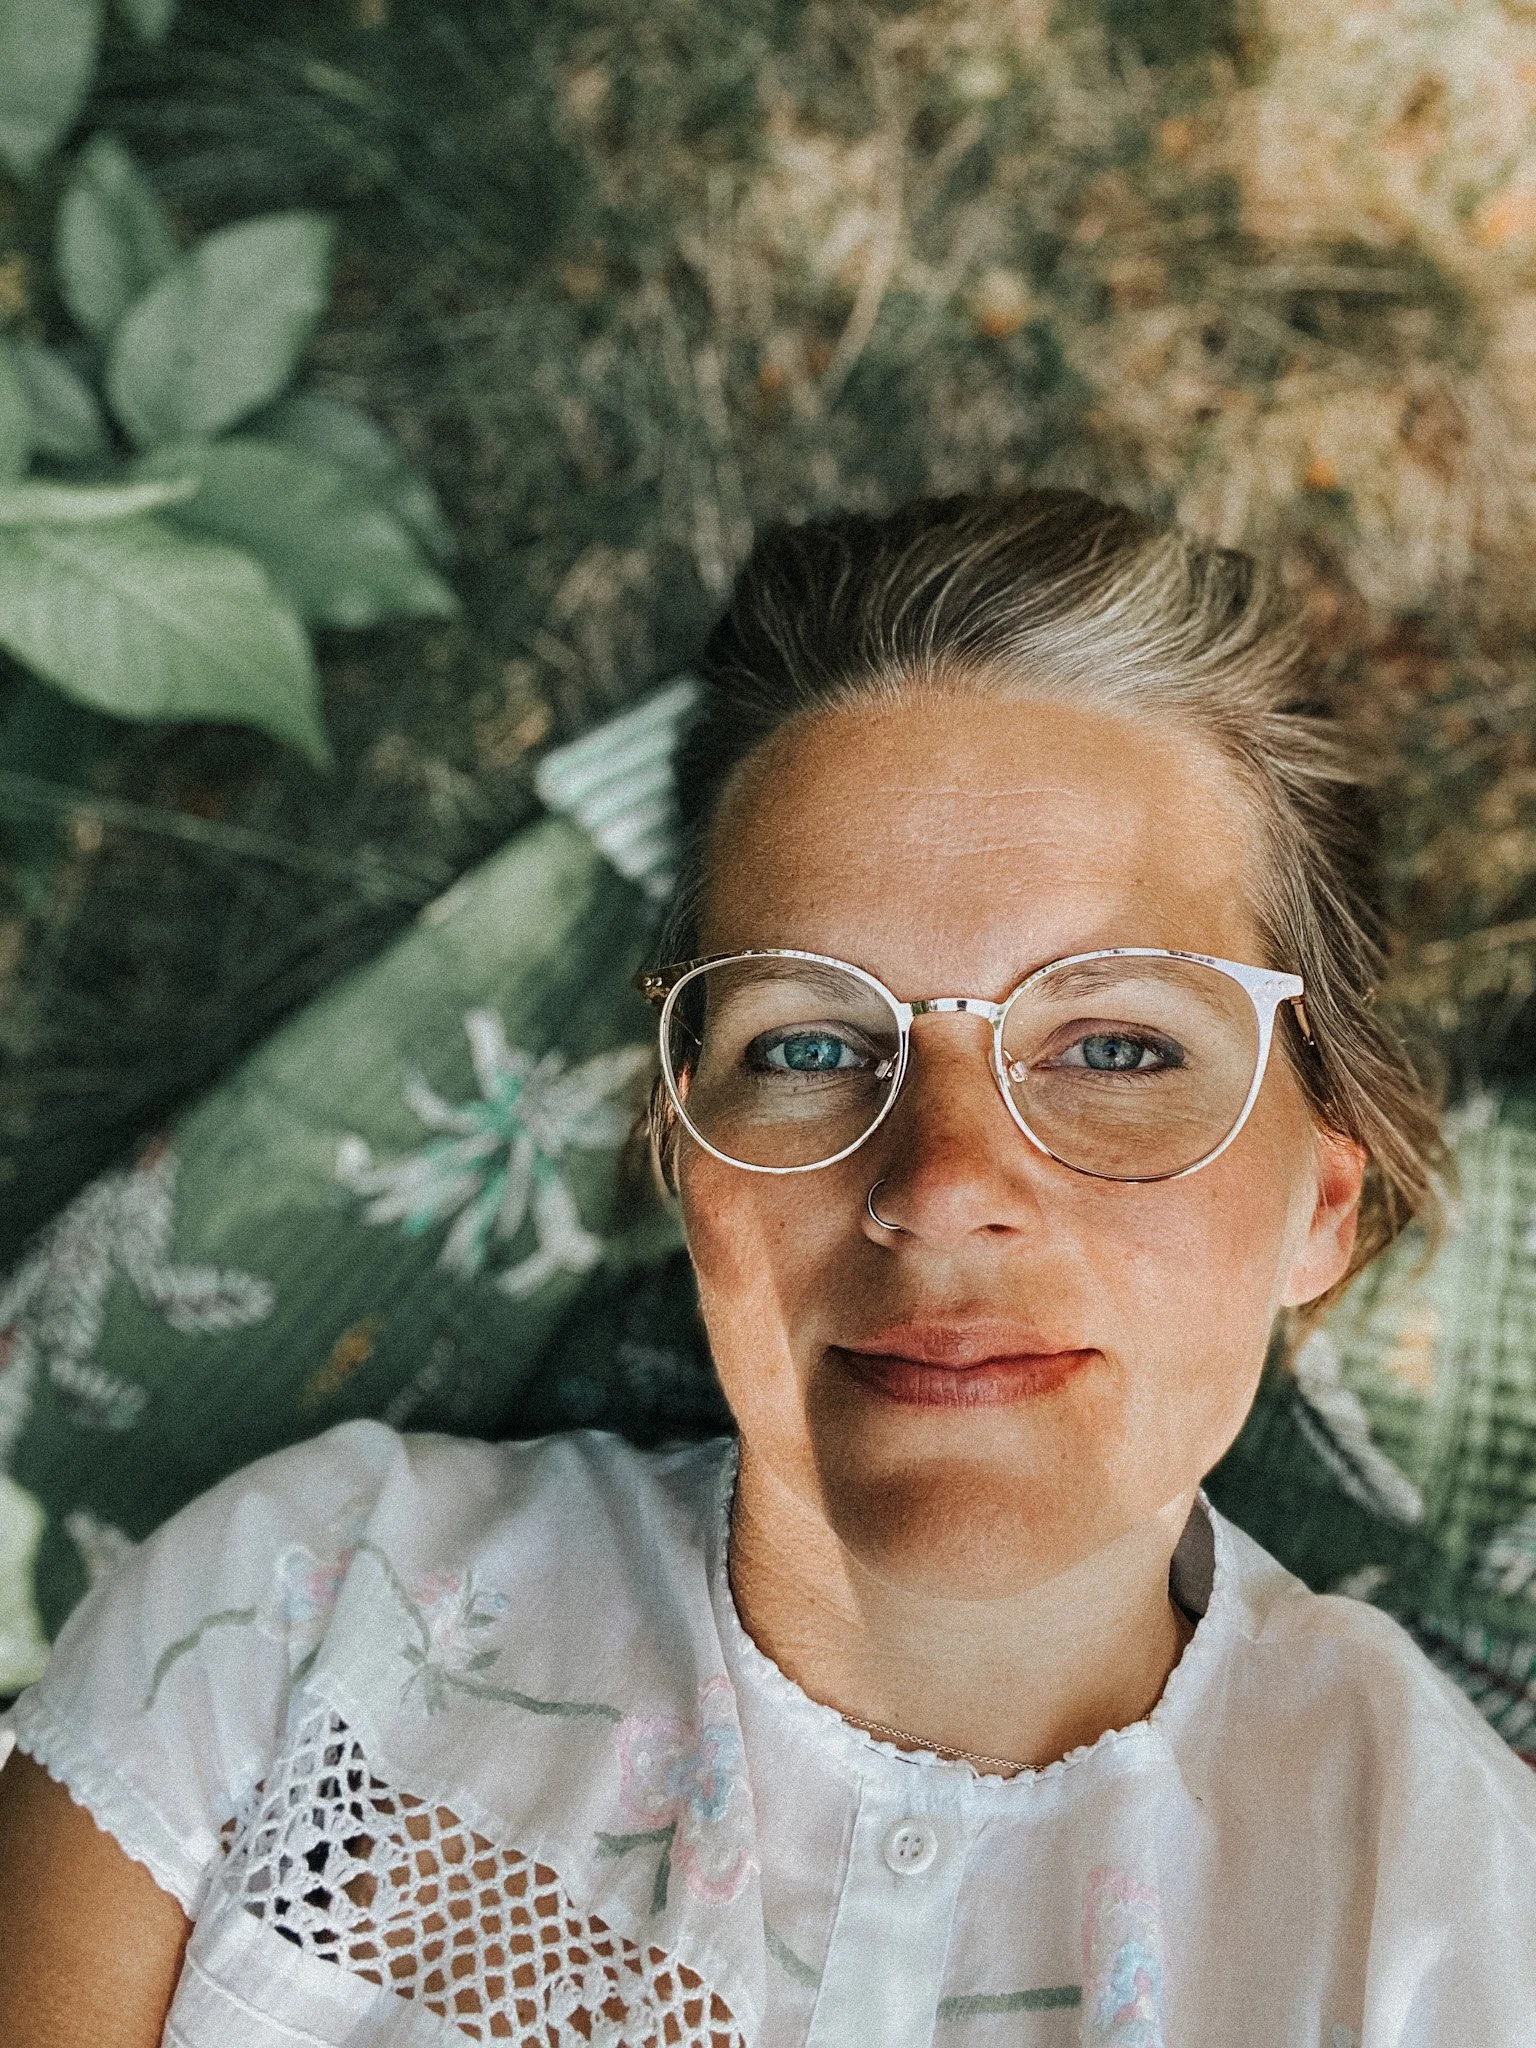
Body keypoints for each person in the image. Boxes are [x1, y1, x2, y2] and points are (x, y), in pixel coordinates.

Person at [2, 489, 1534, 2048]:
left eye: (1118, 1048)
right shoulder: (297, 1612)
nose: (942, 1188)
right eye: (806, 1045)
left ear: (1322, 1204)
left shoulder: (1454, 1908)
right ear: (685, 1162)